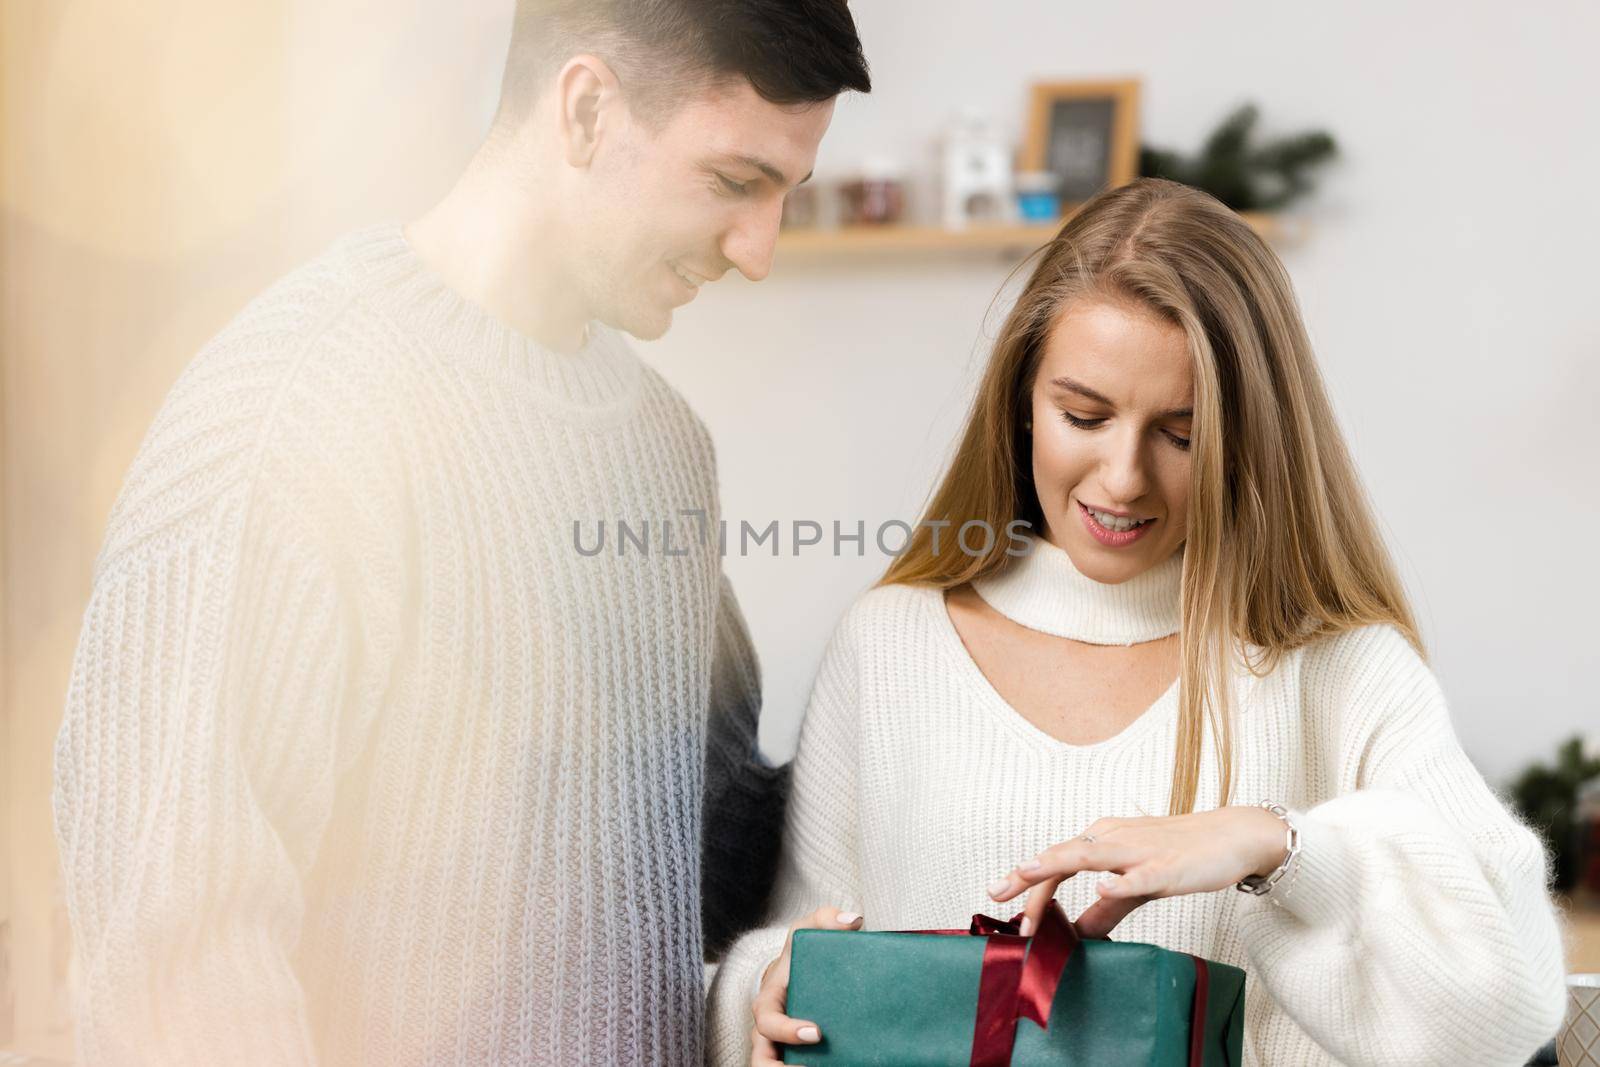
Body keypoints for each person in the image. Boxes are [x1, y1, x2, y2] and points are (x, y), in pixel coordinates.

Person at [51, 1, 869, 1064]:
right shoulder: (285, 413)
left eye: (784, 196)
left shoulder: (666, 450)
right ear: (583, 110)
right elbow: (172, 955)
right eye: (733, 181)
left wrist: (961, 676)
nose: (757, 251)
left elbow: (705, 853)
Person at [709, 177, 1568, 1066]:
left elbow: (1511, 1007)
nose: (1123, 477)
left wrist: (1277, 843)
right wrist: (766, 993)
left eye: (1182, 434)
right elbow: (803, 944)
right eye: (1083, 414)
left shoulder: (1341, 670)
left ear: (1251, 438)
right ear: (1020, 402)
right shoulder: (891, 644)